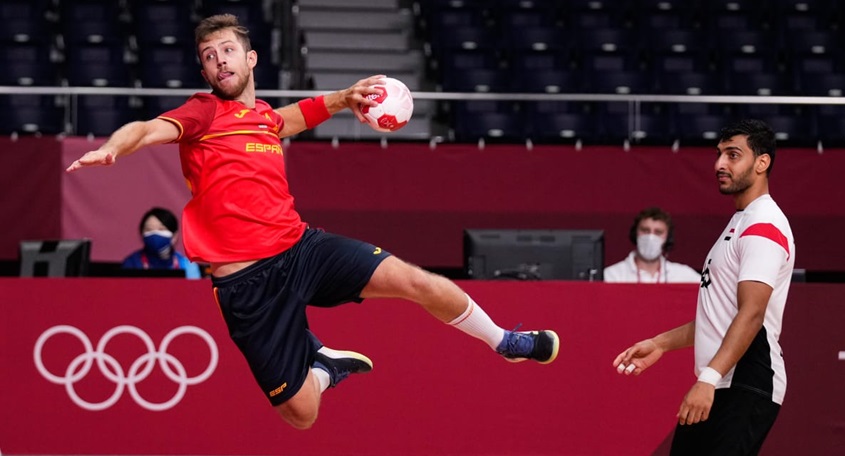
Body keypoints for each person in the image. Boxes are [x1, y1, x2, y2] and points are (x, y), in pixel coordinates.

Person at [66, 14, 559, 430]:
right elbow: (149, 129)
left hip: (300, 249)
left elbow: (291, 118)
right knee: (301, 413)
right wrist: (114, 146)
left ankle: (504, 341)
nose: (219, 60)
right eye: (210, 55)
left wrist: (344, 98)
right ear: (205, 69)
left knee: (413, 279)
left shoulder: (262, 118)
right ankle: (323, 367)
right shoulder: (204, 113)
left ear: (250, 58)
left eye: (227, 50)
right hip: (245, 284)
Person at [612, 120, 795, 455]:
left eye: (733, 155)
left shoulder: (764, 224)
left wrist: (708, 379)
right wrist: (660, 344)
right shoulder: (741, 221)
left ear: (762, 162)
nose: (720, 164)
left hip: (747, 379)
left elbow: (752, 315)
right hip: (722, 380)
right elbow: (720, 318)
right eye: (719, 154)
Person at [604, 206, 702, 283]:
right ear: (635, 234)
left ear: (668, 239)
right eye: (645, 230)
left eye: (658, 232)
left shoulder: (685, 277)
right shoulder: (611, 276)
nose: (651, 236)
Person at [122, 207, 201, 279]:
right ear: (142, 234)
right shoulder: (131, 263)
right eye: (149, 229)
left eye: (161, 229)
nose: (155, 234)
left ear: (174, 236)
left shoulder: (187, 266)